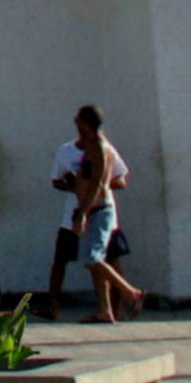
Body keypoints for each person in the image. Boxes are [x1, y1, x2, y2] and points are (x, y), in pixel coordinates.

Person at [41, 121, 133, 319]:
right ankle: (53, 307)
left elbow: (120, 179)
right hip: (72, 216)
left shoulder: (105, 150)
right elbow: (56, 181)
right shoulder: (65, 151)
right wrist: (75, 186)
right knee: (61, 261)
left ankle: (118, 306)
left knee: (107, 260)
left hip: (99, 214)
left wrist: (96, 182)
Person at [68, 104, 144, 322]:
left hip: (99, 210)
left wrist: (83, 212)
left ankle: (131, 292)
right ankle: (105, 309)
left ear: (87, 123)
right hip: (92, 209)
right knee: (94, 261)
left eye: (79, 121)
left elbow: (99, 184)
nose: (76, 125)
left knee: (92, 258)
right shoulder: (89, 146)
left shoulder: (101, 148)